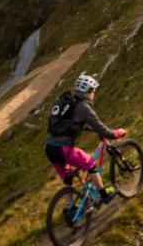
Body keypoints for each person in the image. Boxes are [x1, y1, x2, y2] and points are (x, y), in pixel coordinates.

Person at [45, 73, 125, 202]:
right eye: (93, 91)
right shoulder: (84, 107)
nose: (94, 94)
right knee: (90, 165)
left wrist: (85, 128)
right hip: (63, 149)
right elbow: (101, 128)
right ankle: (104, 195)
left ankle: (70, 208)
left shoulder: (71, 102)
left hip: (50, 148)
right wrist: (115, 133)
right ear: (88, 91)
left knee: (68, 178)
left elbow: (70, 123)